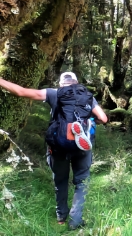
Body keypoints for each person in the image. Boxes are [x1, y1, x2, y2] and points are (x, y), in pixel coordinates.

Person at [0, 72, 107, 230]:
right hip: (82, 149)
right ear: (76, 83)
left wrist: (1, 80)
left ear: (61, 83)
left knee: (60, 181)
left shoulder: (54, 93)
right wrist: (92, 119)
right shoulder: (87, 95)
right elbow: (104, 118)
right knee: (82, 182)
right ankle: (75, 220)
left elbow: (21, 92)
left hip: (58, 146)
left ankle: (61, 217)